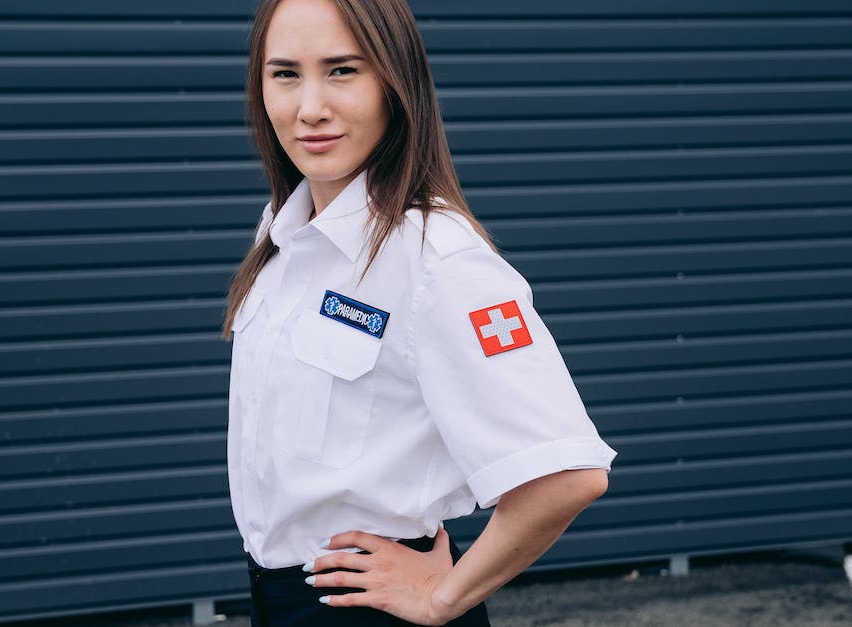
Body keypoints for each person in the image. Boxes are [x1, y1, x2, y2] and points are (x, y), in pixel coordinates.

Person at [222, 0, 618, 624]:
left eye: (343, 70)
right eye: (285, 73)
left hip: (371, 607)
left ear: (395, 82)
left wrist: (444, 595)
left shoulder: (437, 259)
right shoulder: (285, 239)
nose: (310, 107)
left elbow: (567, 474)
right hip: (280, 600)